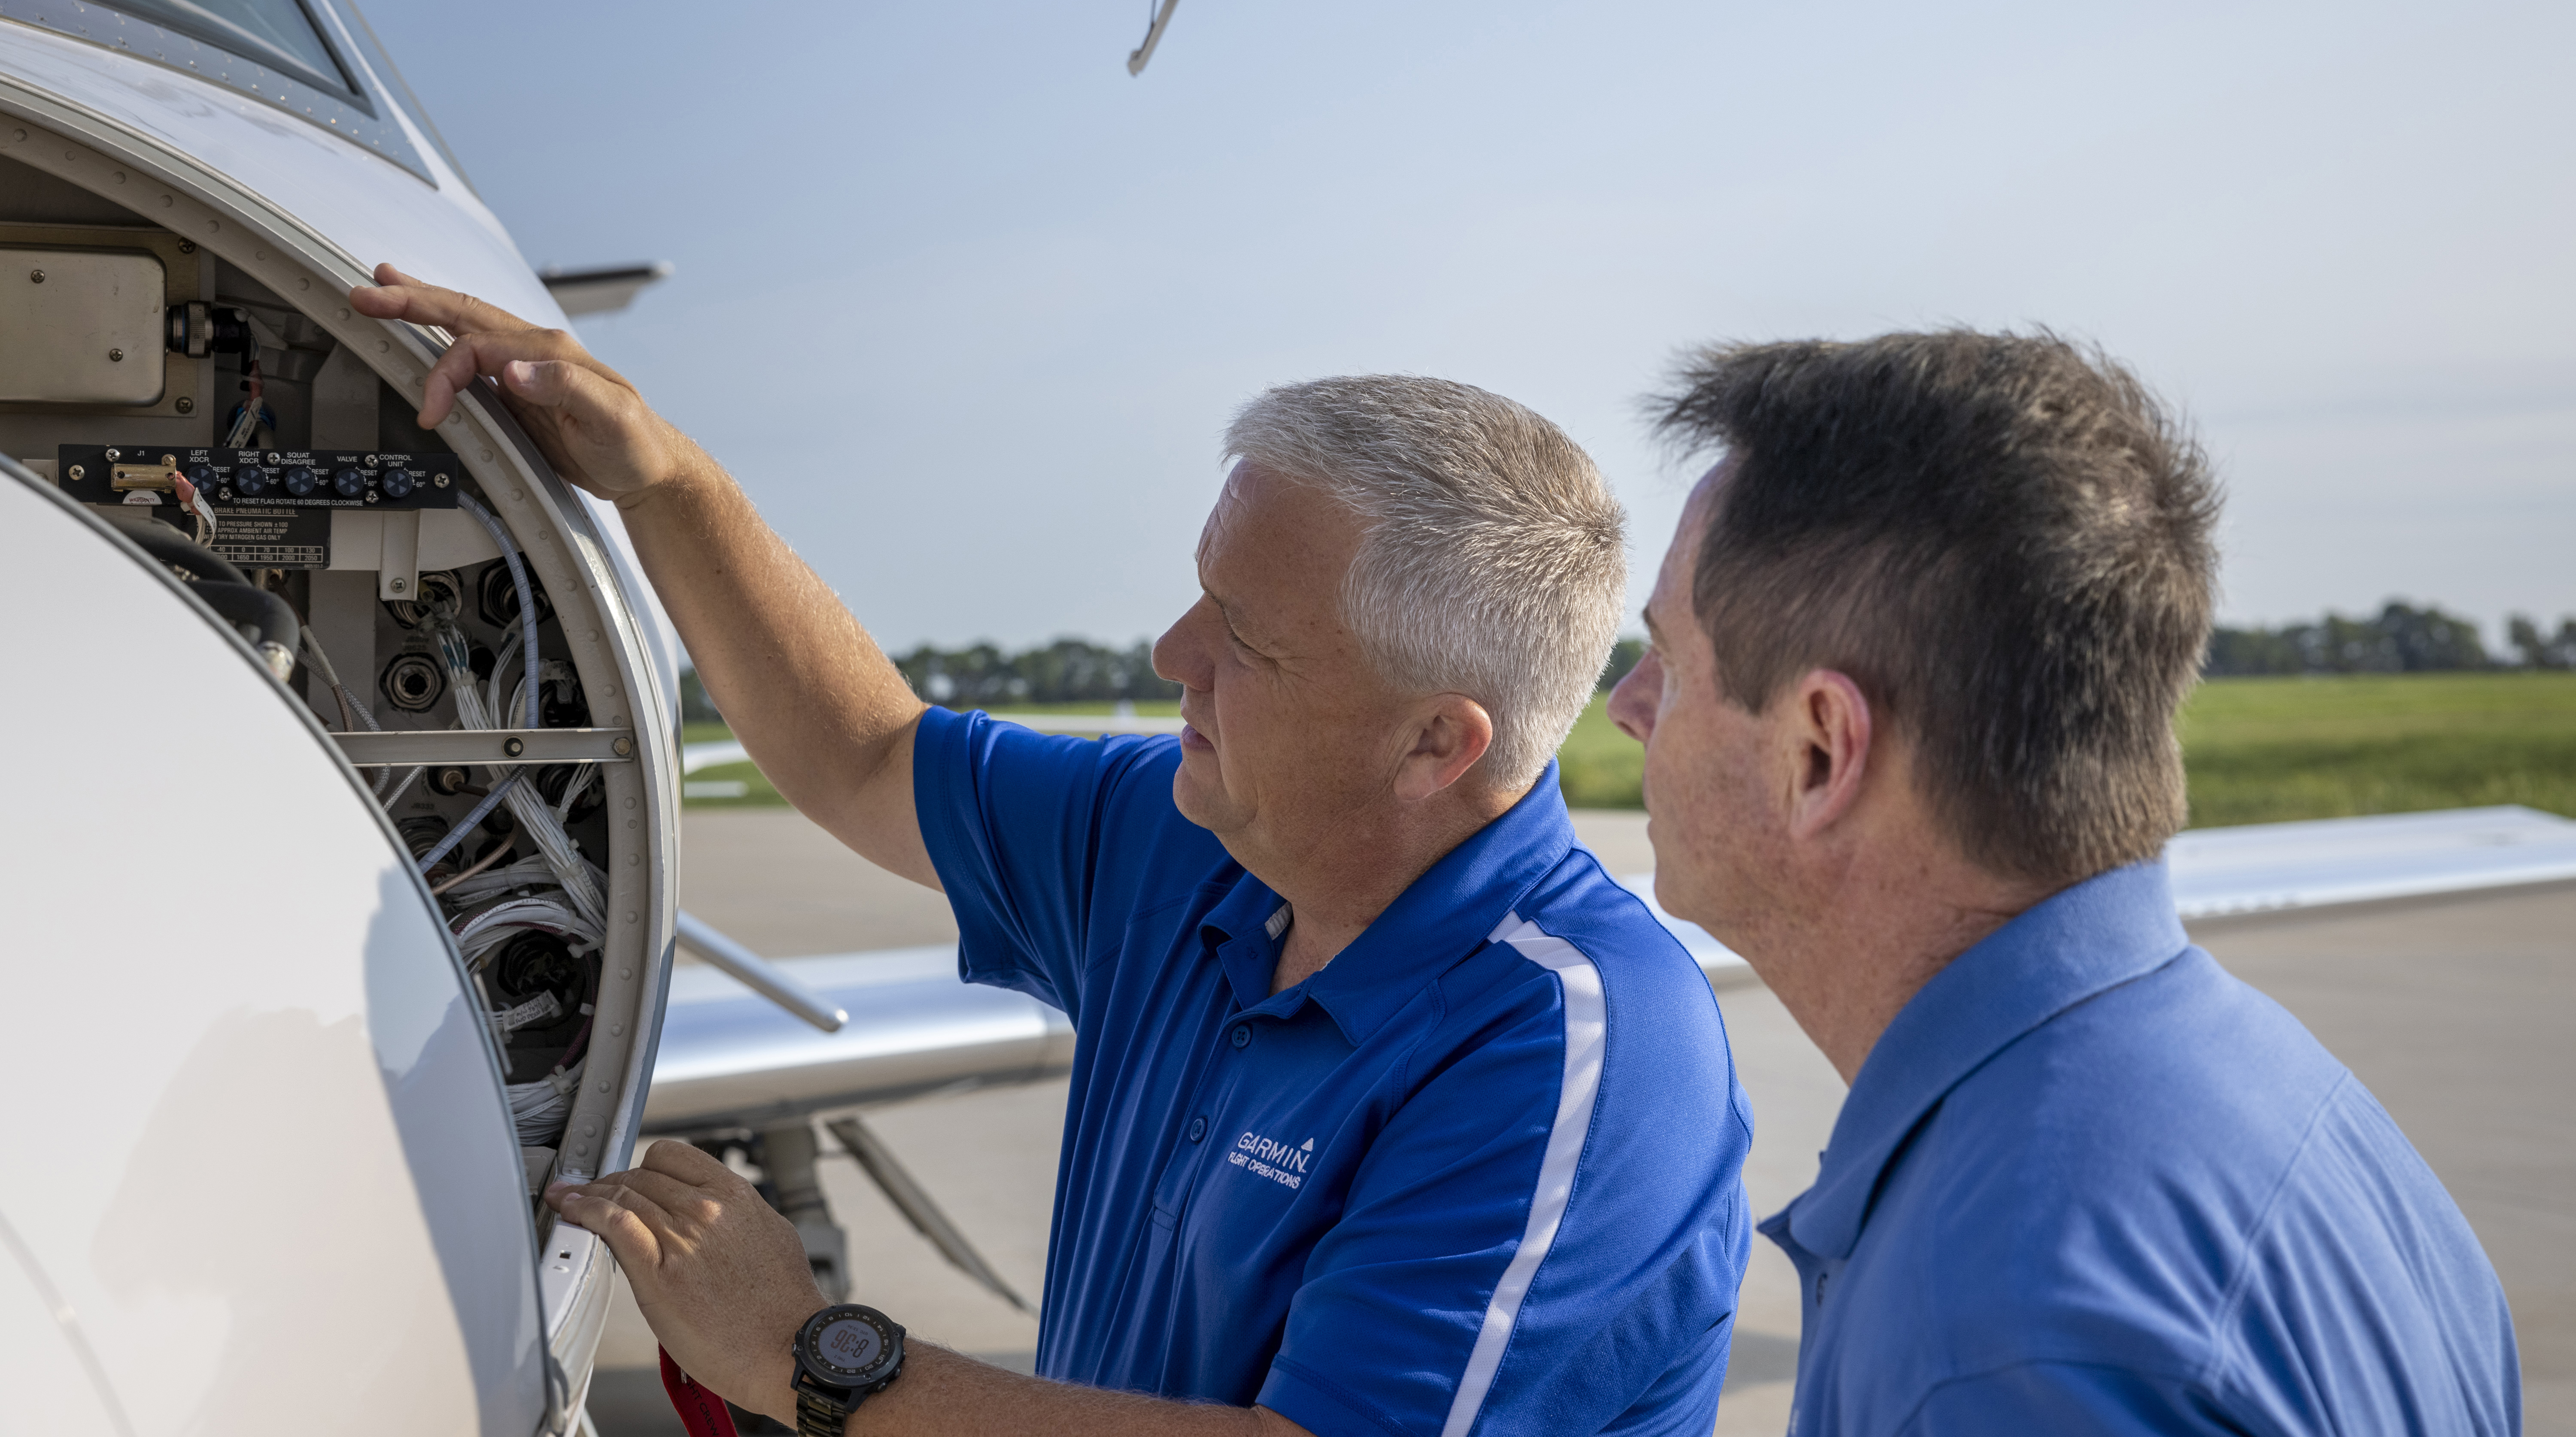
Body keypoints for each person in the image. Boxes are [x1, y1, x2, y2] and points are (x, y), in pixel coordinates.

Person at [351, 269, 1755, 1437]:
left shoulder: (1578, 1046)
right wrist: (660, 478)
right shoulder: (1194, 834)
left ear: (1436, 745)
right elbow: (866, 755)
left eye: (1245, 641)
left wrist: (813, 1350)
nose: (1170, 656)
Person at [1609, 331, 2522, 1434]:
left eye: (1667, 658)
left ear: (1819, 752)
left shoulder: (1998, 1334)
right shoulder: (2302, 1104)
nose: (1630, 703)